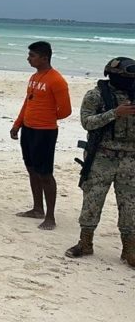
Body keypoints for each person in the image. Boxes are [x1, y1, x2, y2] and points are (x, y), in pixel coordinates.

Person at [65, 57, 135, 265]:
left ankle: (129, 250)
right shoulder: (96, 96)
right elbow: (87, 122)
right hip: (102, 157)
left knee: (130, 206)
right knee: (92, 202)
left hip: (130, 159)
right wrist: (115, 113)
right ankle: (85, 243)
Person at [10, 41, 72, 231]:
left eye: (32, 55)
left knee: (45, 173)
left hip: (45, 132)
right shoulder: (35, 77)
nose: (28, 58)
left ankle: (50, 216)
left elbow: (66, 111)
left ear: (44, 58)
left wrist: (45, 117)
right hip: (28, 129)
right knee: (31, 169)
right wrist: (17, 124)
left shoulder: (56, 80)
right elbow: (27, 103)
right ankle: (37, 209)